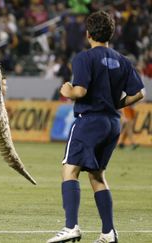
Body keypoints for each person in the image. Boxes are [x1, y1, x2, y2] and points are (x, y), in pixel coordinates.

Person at [47, 11, 144, 243]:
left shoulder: (84, 58)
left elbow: (79, 91)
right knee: (97, 175)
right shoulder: (122, 60)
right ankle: (108, 232)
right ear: (111, 34)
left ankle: (71, 227)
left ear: (88, 34)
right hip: (112, 123)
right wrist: (115, 104)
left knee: (69, 170)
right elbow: (139, 93)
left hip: (90, 121)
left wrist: (66, 90)